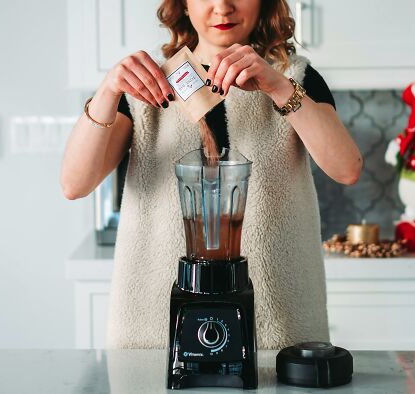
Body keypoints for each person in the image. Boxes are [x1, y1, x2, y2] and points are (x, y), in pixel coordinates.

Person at [60, 0, 362, 349]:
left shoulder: (293, 77)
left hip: (278, 320)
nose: (223, 7)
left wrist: (277, 86)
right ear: (183, 5)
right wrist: (109, 89)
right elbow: (74, 184)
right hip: (155, 324)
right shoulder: (148, 86)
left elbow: (346, 169)